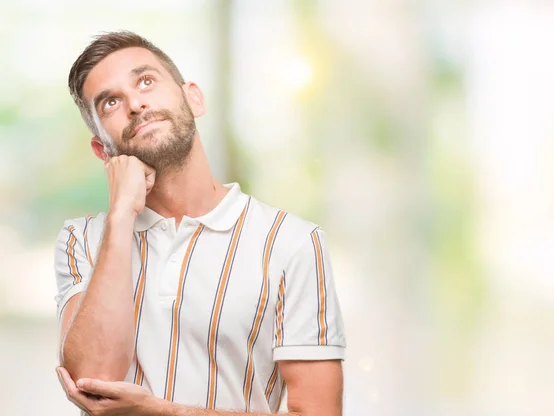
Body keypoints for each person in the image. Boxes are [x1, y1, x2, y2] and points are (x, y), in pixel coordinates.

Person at [53, 31, 345, 416]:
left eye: (146, 81)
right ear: (101, 149)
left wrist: (163, 412)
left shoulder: (293, 243)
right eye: (110, 102)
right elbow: (92, 383)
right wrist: (122, 214)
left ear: (193, 97)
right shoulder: (82, 240)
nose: (136, 103)